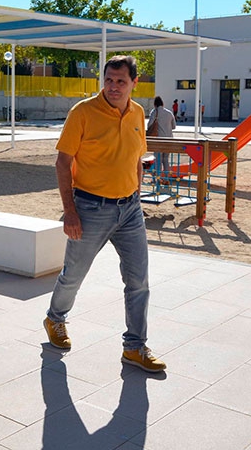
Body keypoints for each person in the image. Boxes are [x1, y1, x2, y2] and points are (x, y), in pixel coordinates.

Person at [43, 55, 166, 374]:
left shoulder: (138, 113)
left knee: (138, 280)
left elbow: (138, 157)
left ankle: (135, 347)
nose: (113, 86)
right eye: (108, 80)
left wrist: (136, 194)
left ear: (134, 83)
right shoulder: (82, 111)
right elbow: (62, 162)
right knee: (74, 274)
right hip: (89, 208)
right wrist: (69, 211)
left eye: (120, 81)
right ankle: (55, 319)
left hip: (130, 211)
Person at [147, 96, 176, 176]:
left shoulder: (154, 112)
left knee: (158, 160)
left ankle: (158, 178)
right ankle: (166, 177)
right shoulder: (169, 113)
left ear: (155, 104)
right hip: (169, 140)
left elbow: (149, 125)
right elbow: (174, 126)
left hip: (159, 140)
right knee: (165, 159)